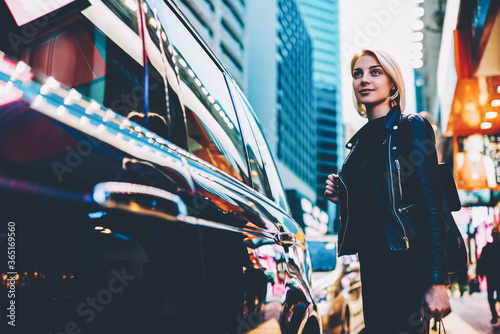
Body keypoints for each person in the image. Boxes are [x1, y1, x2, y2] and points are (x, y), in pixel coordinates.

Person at [324, 49, 450, 333]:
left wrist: (436, 281)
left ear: (392, 83)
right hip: (371, 267)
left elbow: (432, 203)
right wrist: (344, 198)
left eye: (375, 72)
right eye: (358, 74)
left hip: (406, 266)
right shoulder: (356, 147)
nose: (364, 80)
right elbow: (375, 207)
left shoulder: (411, 128)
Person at [477, 227, 500, 324]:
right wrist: (481, 273)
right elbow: (482, 262)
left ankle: (495, 315)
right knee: (491, 296)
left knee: (493, 296)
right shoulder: (487, 248)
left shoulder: (487, 248)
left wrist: (481, 272)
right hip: (491, 276)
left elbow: (481, 262)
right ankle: (494, 315)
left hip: (494, 276)